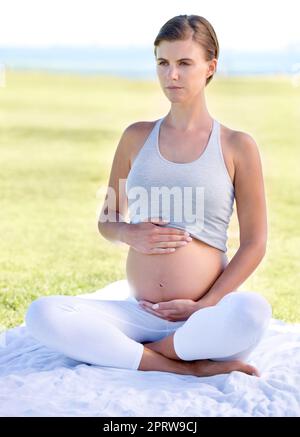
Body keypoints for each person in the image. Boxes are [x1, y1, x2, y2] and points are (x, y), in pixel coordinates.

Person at [25, 15, 272, 378]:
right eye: (163, 63)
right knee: (42, 314)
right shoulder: (135, 138)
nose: (171, 75)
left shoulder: (237, 146)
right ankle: (187, 368)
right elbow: (107, 220)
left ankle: (139, 354)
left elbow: (255, 243)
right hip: (140, 314)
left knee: (252, 312)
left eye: (184, 63)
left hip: (204, 317)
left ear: (210, 67)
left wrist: (204, 304)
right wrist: (128, 233)